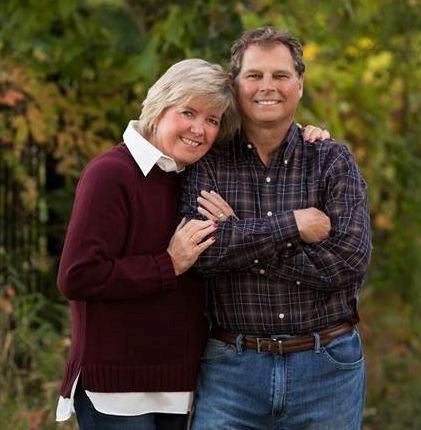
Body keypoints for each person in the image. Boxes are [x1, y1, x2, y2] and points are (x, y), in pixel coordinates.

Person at [181, 27, 372, 430]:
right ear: (235, 86)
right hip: (232, 371)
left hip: (327, 370)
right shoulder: (208, 161)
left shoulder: (332, 161)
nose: (267, 86)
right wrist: (292, 226)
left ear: (299, 85)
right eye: (254, 75)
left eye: (280, 75)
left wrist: (238, 232)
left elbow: (347, 264)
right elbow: (202, 256)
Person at [55, 58, 238, 430]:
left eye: (212, 120)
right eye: (188, 112)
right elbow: (77, 276)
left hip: (180, 384)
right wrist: (167, 264)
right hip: (117, 390)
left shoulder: (196, 178)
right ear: (159, 107)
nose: (199, 130)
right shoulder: (111, 173)